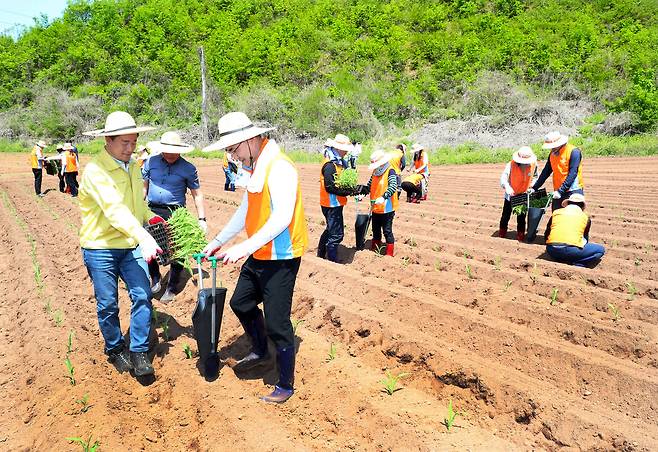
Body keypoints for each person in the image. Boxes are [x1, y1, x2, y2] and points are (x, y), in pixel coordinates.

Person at [202, 112, 308, 404]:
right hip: (260, 252)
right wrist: (220, 241)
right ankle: (261, 349)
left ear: (249, 140)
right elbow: (245, 210)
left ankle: (285, 384)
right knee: (241, 303)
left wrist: (243, 247)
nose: (233, 156)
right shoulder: (257, 167)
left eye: (233, 149)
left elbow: (282, 217)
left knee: (278, 323)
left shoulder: (279, 167)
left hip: (282, 256)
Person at [79, 111, 161, 377]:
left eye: (133, 142)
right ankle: (115, 349)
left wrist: (150, 217)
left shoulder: (135, 166)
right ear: (108, 141)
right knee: (108, 303)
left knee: (142, 295)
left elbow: (136, 204)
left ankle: (138, 350)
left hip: (129, 243)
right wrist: (144, 236)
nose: (130, 148)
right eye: (124, 143)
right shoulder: (96, 171)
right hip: (100, 246)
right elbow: (114, 210)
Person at [142, 131, 207, 303]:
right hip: (152, 210)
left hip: (176, 213)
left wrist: (202, 219)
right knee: (149, 248)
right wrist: (137, 209)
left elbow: (197, 194)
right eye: (167, 150)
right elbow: (144, 188)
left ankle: (171, 288)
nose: (170, 154)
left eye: (174, 150)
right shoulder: (151, 162)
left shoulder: (188, 168)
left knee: (177, 251)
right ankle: (155, 277)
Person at [318, 133, 357, 262]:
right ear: (338, 149)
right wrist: (349, 191)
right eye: (345, 150)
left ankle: (321, 254)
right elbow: (330, 187)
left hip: (333, 203)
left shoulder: (338, 162)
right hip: (331, 204)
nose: (346, 152)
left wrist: (353, 189)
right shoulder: (330, 165)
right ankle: (332, 259)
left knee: (330, 229)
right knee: (336, 234)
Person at [357, 150, 398, 256]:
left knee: (387, 231)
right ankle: (375, 251)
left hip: (387, 208)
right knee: (375, 231)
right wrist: (363, 194)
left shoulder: (390, 171)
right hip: (375, 207)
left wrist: (384, 197)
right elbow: (370, 185)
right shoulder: (375, 172)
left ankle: (389, 254)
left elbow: (393, 186)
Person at [545, 194, 605, 267]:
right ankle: (578, 262)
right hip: (572, 251)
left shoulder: (556, 213)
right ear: (582, 206)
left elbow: (547, 233)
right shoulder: (585, 217)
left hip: (551, 250)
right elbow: (585, 238)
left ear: (568, 203)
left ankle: (561, 258)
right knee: (600, 250)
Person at [532, 131, 584, 211]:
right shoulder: (553, 154)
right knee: (556, 216)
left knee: (572, 217)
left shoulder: (574, 152)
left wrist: (560, 191)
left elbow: (572, 173)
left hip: (573, 191)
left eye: (553, 146)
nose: (551, 149)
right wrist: (535, 187)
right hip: (558, 190)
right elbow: (546, 172)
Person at [499, 146, 538, 241]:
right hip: (511, 194)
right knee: (506, 215)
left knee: (521, 216)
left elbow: (536, 177)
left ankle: (520, 234)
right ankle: (502, 232)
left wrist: (532, 186)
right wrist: (507, 187)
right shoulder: (510, 165)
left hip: (524, 194)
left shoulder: (534, 165)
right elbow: (503, 178)